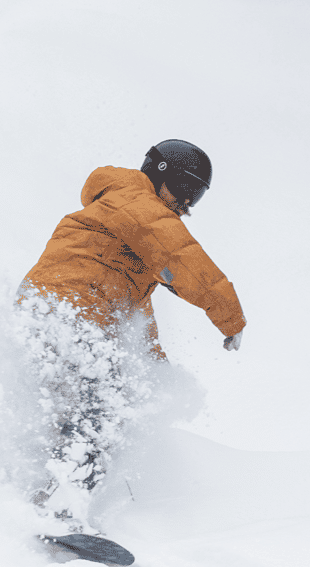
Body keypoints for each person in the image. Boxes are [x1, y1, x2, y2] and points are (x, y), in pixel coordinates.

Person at [16, 139, 246, 523]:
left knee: (72, 411)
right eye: (186, 190)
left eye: (197, 197)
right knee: (104, 411)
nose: (187, 205)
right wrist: (230, 318)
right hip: (72, 312)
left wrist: (157, 372)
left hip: (49, 311)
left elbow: (134, 319)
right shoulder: (138, 204)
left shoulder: (124, 229)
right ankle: (59, 509)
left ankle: (33, 491)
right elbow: (182, 257)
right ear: (161, 175)